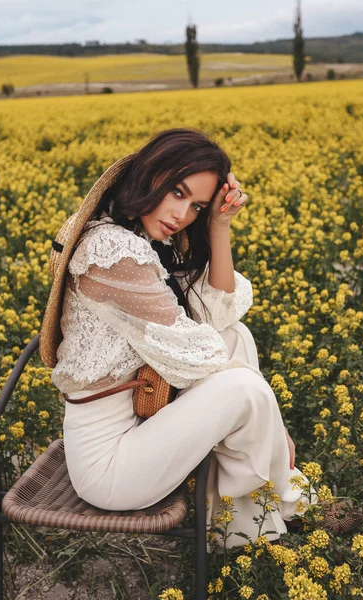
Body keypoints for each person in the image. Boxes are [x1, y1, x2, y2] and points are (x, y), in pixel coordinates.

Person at [38, 128, 335, 550]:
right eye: (176, 192)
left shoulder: (141, 238)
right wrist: (275, 423)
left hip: (143, 425)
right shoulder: (111, 251)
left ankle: (247, 521)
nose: (181, 214)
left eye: (194, 205)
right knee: (246, 389)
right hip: (111, 468)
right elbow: (190, 350)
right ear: (149, 177)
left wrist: (218, 224)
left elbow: (217, 312)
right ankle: (280, 507)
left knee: (235, 337)